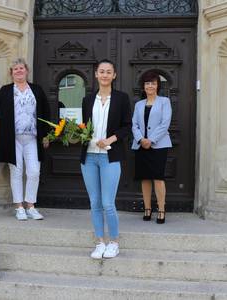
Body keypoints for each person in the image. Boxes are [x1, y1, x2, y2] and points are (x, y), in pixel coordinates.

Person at [80, 59, 132, 259]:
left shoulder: (121, 98)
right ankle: (100, 241)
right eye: (101, 71)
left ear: (114, 75)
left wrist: (110, 139)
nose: (104, 75)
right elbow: (84, 126)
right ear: (96, 74)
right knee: (94, 202)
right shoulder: (87, 100)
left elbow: (127, 126)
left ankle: (114, 242)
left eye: (108, 72)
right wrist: (79, 134)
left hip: (111, 156)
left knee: (108, 202)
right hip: (89, 157)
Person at [0, 58, 50, 221]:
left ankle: (31, 205)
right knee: (16, 172)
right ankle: (19, 206)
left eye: (21, 68)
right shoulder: (5, 91)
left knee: (34, 171)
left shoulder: (36, 90)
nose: (19, 71)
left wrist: (46, 134)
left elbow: (45, 113)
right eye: (15, 69)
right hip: (12, 139)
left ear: (27, 71)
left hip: (32, 138)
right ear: (11, 73)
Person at [131, 71, 172, 224]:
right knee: (145, 178)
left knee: (158, 178)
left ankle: (161, 209)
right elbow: (134, 124)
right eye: (147, 83)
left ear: (157, 86)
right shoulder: (138, 104)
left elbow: (165, 123)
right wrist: (141, 139)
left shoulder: (165, 102)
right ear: (143, 86)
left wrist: (151, 139)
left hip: (159, 145)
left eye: (153, 83)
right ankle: (147, 209)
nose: (150, 86)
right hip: (141, 145)